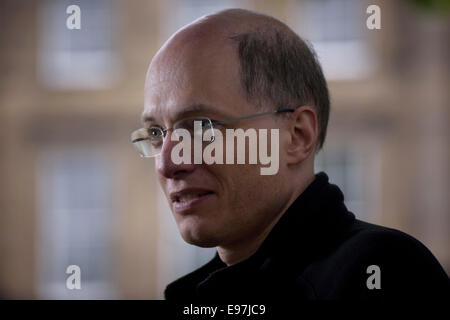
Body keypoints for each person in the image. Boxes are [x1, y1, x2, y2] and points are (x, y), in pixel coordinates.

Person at [133, 8, 449, 300]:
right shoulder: (200, 295)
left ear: (297, 136)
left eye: (201, 127)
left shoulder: (384, 270)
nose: (167, 163)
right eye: (157, 134)